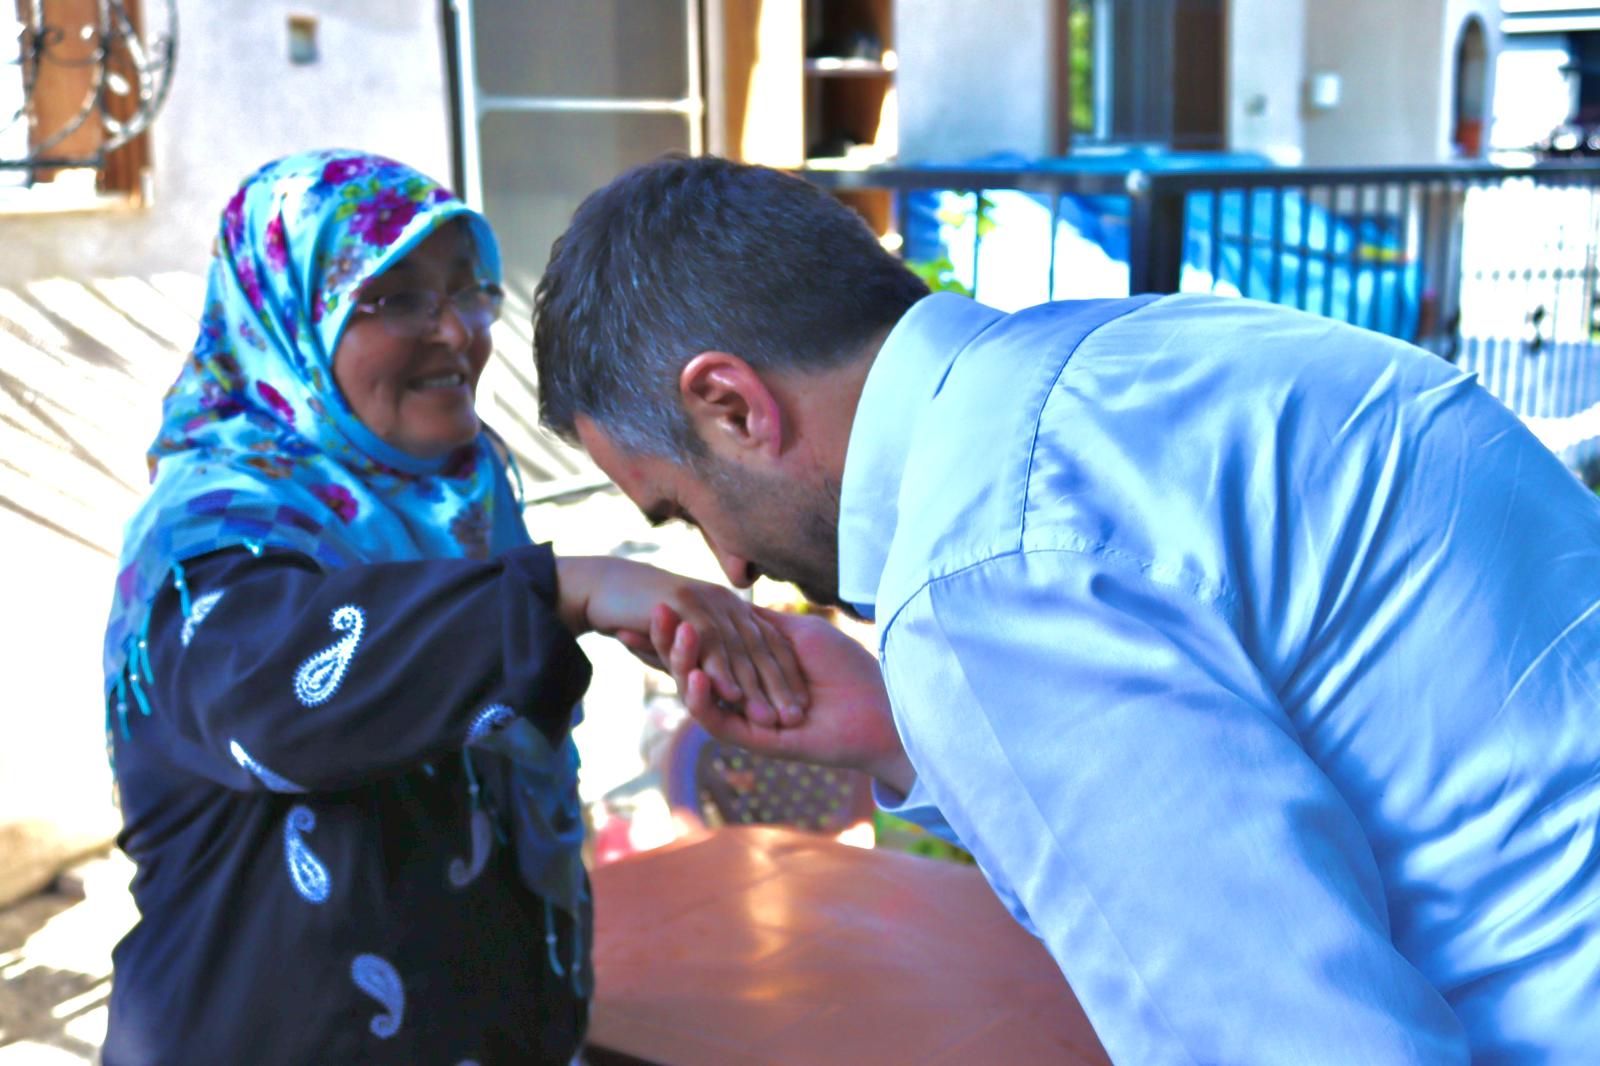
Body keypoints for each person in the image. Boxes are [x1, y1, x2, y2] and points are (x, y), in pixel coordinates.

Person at [532, 155, 1600, 1064]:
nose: (732, 564)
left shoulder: (982, 559)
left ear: (731, 405)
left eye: (686, 508)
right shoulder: (1144, 356)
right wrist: (898, 721)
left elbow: (1283, 1038)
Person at [100, 150, 804, 1065]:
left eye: (469, 289)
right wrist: (558, 590)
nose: (455, 330)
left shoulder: (462, 497)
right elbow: (274, 700)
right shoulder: (209, 534)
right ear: (287, 319)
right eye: (393, 298)